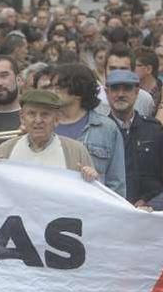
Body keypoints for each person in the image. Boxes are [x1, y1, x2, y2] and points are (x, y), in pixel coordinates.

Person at [0, 89, 98, 182]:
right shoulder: (6, 150)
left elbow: (93, 193)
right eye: (32, 114)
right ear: (22, 118)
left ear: (57, 119)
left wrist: (91, 177)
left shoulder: (75, 151)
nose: (38, 120)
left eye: (45, 114)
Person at [51, 63, 126, 197]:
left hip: (91, 208)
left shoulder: (107, 129)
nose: (53, 92)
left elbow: (116, 183)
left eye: (59, 87)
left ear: (78, 92)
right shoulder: (44, 125)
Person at [106, 69, 163, 204]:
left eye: (126, 89)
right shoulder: (99, 131)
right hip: (110, 207)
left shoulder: (153, 129)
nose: (120, 94)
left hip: (148, 210)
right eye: (115, 89)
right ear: (107, 92)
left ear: (137, 92)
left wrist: (147, 199)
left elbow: (162, 174)